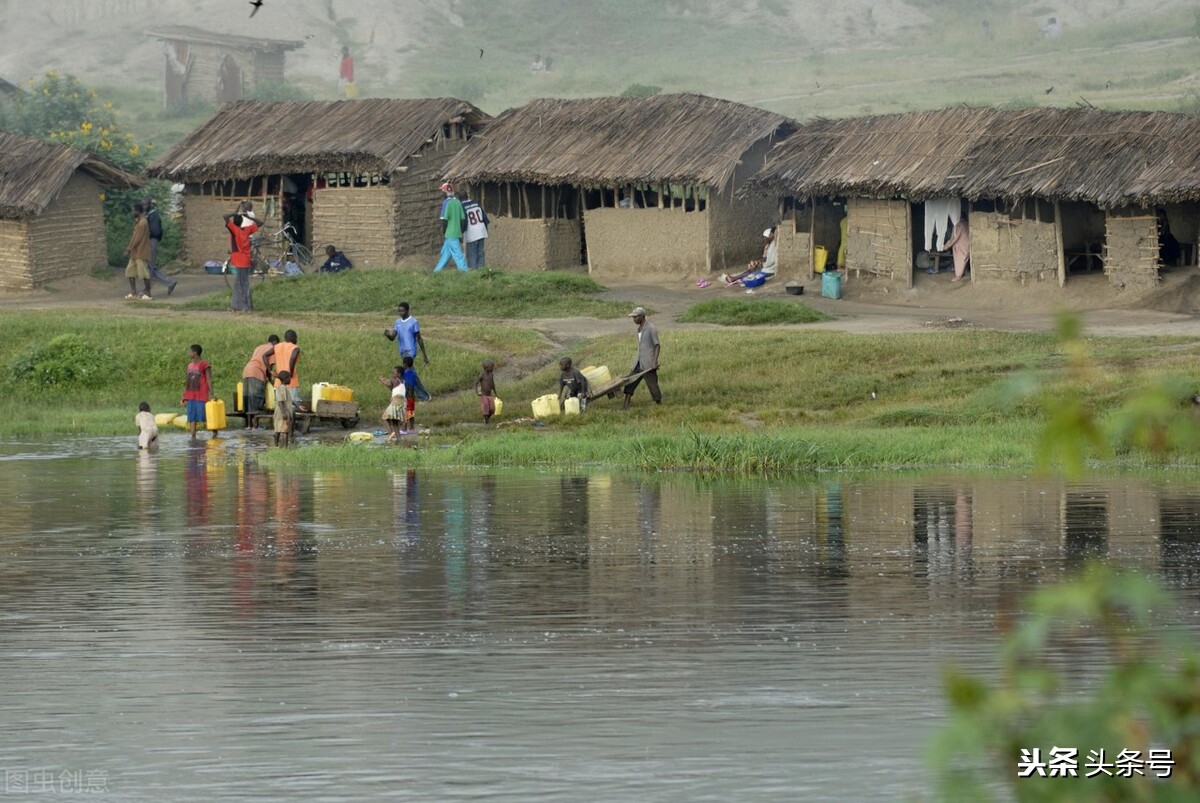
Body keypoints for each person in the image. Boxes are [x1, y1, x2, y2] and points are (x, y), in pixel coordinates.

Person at [623, 307, 661, 409]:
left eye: (635, 317)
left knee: (652, 385)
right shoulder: (639, 329)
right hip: (639, 362)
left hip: (648, 363)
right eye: (633, 317)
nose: (634, 319)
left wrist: (654, 361)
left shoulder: (651, 328)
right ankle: (626, 405)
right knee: (630, 382)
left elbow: (657, 345)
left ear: (642, 316)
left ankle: (659, 404)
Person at [223, 203, 259, 312]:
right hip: (246, 260)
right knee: (243, 283)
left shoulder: (234, 230)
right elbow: (260, 223)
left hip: (239, 261)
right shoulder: (246, 230)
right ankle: (240, 306)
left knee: (240, 284)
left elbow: (225, 217)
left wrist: (234, 213)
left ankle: (244, 306)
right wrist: (247, 216)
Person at [143, 197, 177, 297]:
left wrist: (149, 238)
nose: (144, 206)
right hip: (152, 241)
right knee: (151, 266)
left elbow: (156, 231)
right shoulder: (151, 214)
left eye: (145, 204)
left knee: (150, 267)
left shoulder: (153, 215)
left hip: (152, 241)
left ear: (149, 204)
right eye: (143, 205)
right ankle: (169, 283)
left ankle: (146, 289)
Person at [242, 334, 279, 421]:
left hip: (247, 371)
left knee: (248, 400)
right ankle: (255, 426)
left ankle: (248, 425)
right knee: (256, 399)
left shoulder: (259, 347)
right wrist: (270, 380)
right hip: (257, 372)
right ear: (275, 343)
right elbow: (269, 367)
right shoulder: (273, 349)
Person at [433, 182, 468, 272]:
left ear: (445, 193)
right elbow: (462, 220)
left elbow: (444, 220)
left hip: (450, 233)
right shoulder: (458, 203)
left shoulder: (446, 203)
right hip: (456, 233)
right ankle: (436, 272)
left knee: (458, 254)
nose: (442, 194)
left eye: (442, 192)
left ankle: (465, 272)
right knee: (445, 254)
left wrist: (444, 231)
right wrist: (461, 233)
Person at [182, 344, 214, 442]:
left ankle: (215, 431)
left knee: (205, 415)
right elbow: (188, 381)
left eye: (190, 351)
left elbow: (209, 379)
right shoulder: (190, 365)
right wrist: (184, 396)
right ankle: (193, 436)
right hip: (191, 394)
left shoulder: (204, 365)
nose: (188, 353)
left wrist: (212, 393)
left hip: (201, 394)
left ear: (195, 353)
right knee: (192, 417)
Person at [263, 330, 301, 410]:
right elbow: (293, 358)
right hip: (291, 381)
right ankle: (290, 422)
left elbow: (265, 355)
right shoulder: (295, 348)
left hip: (279, 382)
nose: (296, 339)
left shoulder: (277, 346)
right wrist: (290, 374)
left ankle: (281, 422)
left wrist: (270, 370)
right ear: (292, 337)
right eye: (296, 337)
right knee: (292, 407)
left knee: (280, 407)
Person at [123, 203, 153, 300]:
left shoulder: (142, 223)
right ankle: (133, 292)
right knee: (130, 271)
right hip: (135, 253)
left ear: (138, 211)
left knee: (144, 273)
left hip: (141, 252)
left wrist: (129, 249)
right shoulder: (139, 222)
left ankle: (148, 292)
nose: (132, 212)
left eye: (133, 210)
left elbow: (137, 239)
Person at [461, 190, 489, 269]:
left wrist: (462, 232)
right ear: (467, 196)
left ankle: (474, 273)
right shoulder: (476, 203)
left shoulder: (462, 206)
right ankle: (481, 272)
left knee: (472, 255)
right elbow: (485, 218)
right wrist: (485, 230)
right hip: (481, 231)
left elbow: (464, 222)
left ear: (460, 199)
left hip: (472, 233)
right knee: (480, 253)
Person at [937, 216, 971, 282]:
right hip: (968, 245)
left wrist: (943, 247)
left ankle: (958, 276)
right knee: (964, 260)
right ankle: (963, 272)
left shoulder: (959, 225)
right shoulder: (967, 223)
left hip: (962, 246)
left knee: (960, 261)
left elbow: (953, 239)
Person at [379, 365, 406, 443]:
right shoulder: (402, 381)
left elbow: (389, 383)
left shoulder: (395, 380)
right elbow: (392, 388)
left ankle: (391, 433)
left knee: (384, 418)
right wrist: (385, 382)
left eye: (394, 373)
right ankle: (399, 439)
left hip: (396, 401)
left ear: (399, 374)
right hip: (402, 402)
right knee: (395, 422)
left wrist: (383, 380)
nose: (392, 374)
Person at [272, 370, 293, 448]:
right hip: (282, 413)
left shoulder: (282, 388)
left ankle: (275, 446)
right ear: (286, 379)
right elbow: (281, 401)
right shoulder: (282, 388)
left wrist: (298, 407)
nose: (290, 380)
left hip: (278, 413)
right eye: (289, 378)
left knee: (277, 430)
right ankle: (285, 448)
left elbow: (289, 400)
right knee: (285, 431)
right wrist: (284, 412)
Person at [401, 355, 421, 434]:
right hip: (412, 397)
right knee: (411, 413)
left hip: (407, 396)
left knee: (406, 413)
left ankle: (404, 429)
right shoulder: (414, 373)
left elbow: (403, 383)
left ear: (405, 364)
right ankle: (412, 428)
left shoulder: (404, 373)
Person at [475, 359, 498, 424]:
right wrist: (477, 391)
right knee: (486, 407)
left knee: (493, 409)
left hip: (489, 395)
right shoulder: (482, 375)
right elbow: (475, 383)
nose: (493, 368)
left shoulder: (491, 374)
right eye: (491, 367)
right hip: (484, 395)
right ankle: (487, 423)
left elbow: (492, 383)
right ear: (486, 368)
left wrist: (495, 392)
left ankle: (486, 419)